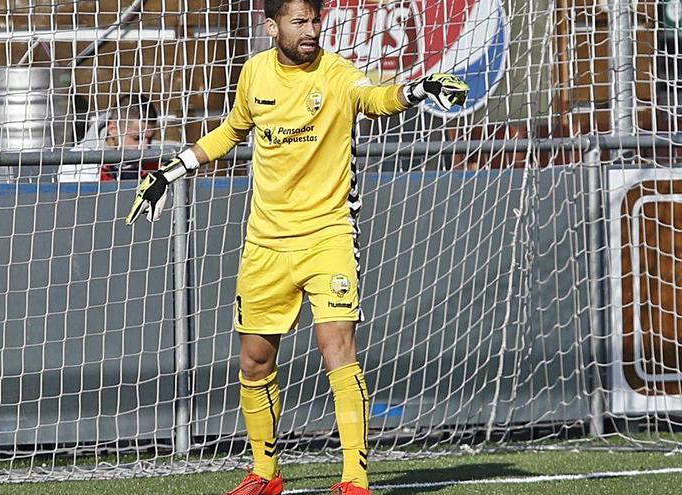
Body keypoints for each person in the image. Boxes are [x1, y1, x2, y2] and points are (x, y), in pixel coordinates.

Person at [125, 0, 468, 493]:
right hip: (266, 242)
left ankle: (355, 480)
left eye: (315, 21)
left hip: (328, 235)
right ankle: (265, 473)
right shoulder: (255, 74)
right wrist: (171, 170)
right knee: (254, 360)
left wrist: (418, 90)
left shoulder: (338, 74)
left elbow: (377, 98)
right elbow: (231, 131)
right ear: (272, 26)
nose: (310, 31)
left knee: (337, 349)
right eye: (299, 22)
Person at [58, 94, 158, 182]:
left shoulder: (152, 163)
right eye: (137, 138)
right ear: (113, 130)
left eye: (150, 139)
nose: (145, 147)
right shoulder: (79, 164)